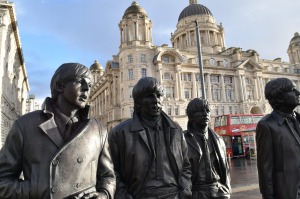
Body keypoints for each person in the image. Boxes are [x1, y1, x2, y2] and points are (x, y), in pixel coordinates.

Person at [0, 63, 116, 199]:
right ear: (60, 86)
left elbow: (108, 177)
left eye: (89, 85)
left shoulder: (98, 129)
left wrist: (104, 194)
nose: (86, 89)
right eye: (80, 82)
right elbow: (3, 181)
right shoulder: (25, 125)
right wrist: (40, 189)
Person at [108, 77, 192, 198]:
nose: (156, 100)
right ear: (138, 102)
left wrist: (185, 189)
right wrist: (122, 195)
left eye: (159, 95)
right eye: (149, 96)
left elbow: (186, 165)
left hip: (174, 195)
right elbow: (111, 170)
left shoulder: (176, 130)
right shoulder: (119, 133)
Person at [256, 77, 300, 199]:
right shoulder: (266, 125)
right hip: (288, 193)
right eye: (293, 90)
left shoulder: (298, 119)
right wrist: (268, 195)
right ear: (280, 98)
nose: (298, 93)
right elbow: (265, 167)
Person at [184, 98, 231, 199]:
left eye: (207, 110)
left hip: (219, 192)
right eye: (200, 111)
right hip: (196, 192)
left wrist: (227, 189)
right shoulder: (182, 140)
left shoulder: (219, 140)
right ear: (191, 116)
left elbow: (226, 169)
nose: (205, 113)